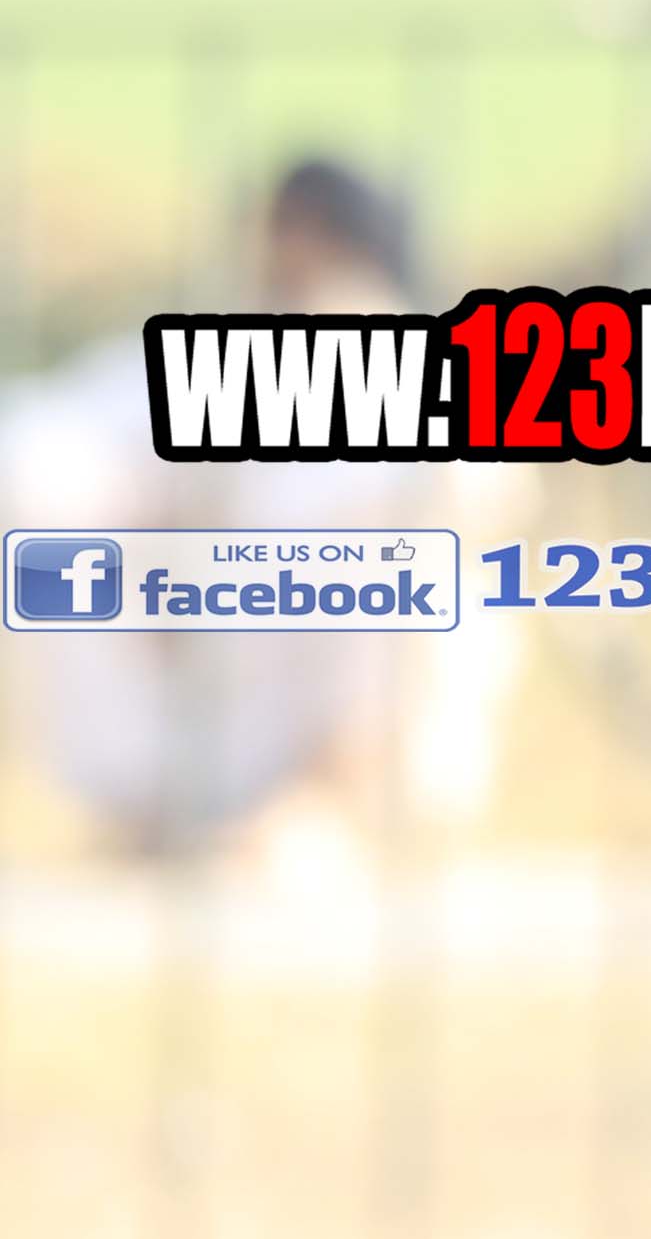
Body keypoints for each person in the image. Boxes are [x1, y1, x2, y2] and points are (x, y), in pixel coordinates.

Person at [0, 156, 517, 868]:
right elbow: (38, 448)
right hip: (204, 697)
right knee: (45, 520)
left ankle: (333, 809)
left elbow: (479, 496)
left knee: (418, 546)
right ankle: (150, 810)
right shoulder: (207, 350)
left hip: (358, 733)